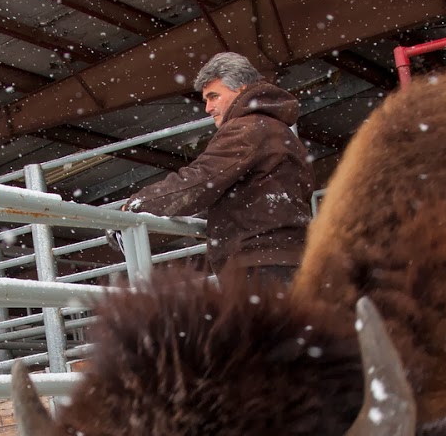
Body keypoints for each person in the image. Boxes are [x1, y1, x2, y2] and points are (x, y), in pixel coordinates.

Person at [127, 53, 313, 291]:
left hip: (259, 265)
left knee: (260, 328)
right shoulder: (282, 133)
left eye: (213, 96)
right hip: (289, 259)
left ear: (242, 88)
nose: (208, 108)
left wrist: (137, 204)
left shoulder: (247, 128)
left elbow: (200, 180)